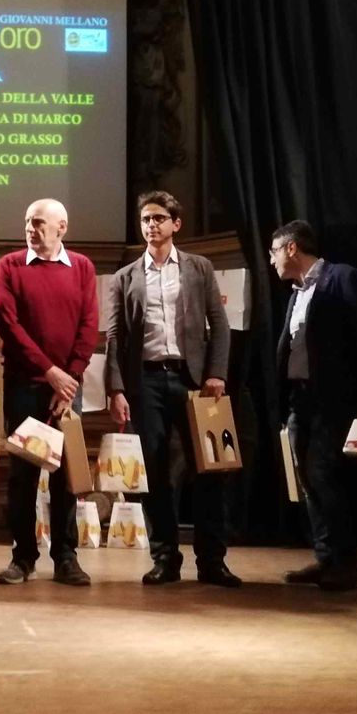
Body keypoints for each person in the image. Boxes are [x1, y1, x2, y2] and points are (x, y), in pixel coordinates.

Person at [105, 191, 239, 588]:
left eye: (159, 218)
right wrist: (116, 388)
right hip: (146, 381)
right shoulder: (125, 276)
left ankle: (212, 561)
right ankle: (165, 557)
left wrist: (216, 373)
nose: (151, 225)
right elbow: (114, 336)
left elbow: (220, 324)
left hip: (194, 381)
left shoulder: (199, 267)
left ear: (176, 224)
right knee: (156, 471)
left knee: (210, 469)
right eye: (146, 219)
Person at [269, 219, 357, 591]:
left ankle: (346, 563)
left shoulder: (341, 278)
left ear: (291, 248)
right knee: (307, 479)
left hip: (333, 398)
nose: (271, 261)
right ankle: (326, 558)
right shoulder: (296, 293)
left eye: (274, 252)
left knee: (324, 475)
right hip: (300, 398)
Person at [0, 198, 98, 586]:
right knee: (23, 474)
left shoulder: (82, 267)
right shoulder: (10, 265)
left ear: (61, 227)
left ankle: (66, 557)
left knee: (65, 475)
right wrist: (50, 372)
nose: (30, 229)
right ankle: (23, 556)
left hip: (67, 389)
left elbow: (89, 324)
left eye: (38, 223)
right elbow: (9, 324)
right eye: (27, 222)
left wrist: (69, 379)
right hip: (26, 385)